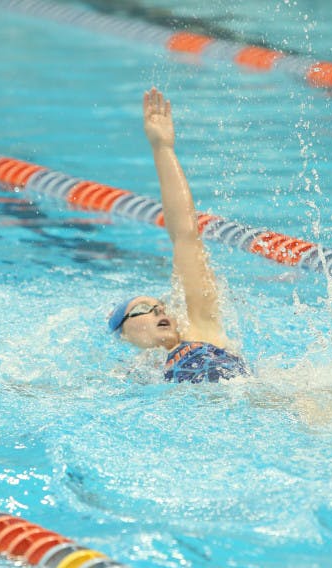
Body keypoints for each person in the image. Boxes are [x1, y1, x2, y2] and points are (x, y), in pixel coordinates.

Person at [107, 88, 248, 383]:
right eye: (144, 309)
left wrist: (163, 148)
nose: (160, 310)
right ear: (124, 332)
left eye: (160, 306)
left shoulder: (201, 329)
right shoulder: (130, 377)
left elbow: (185, 234)